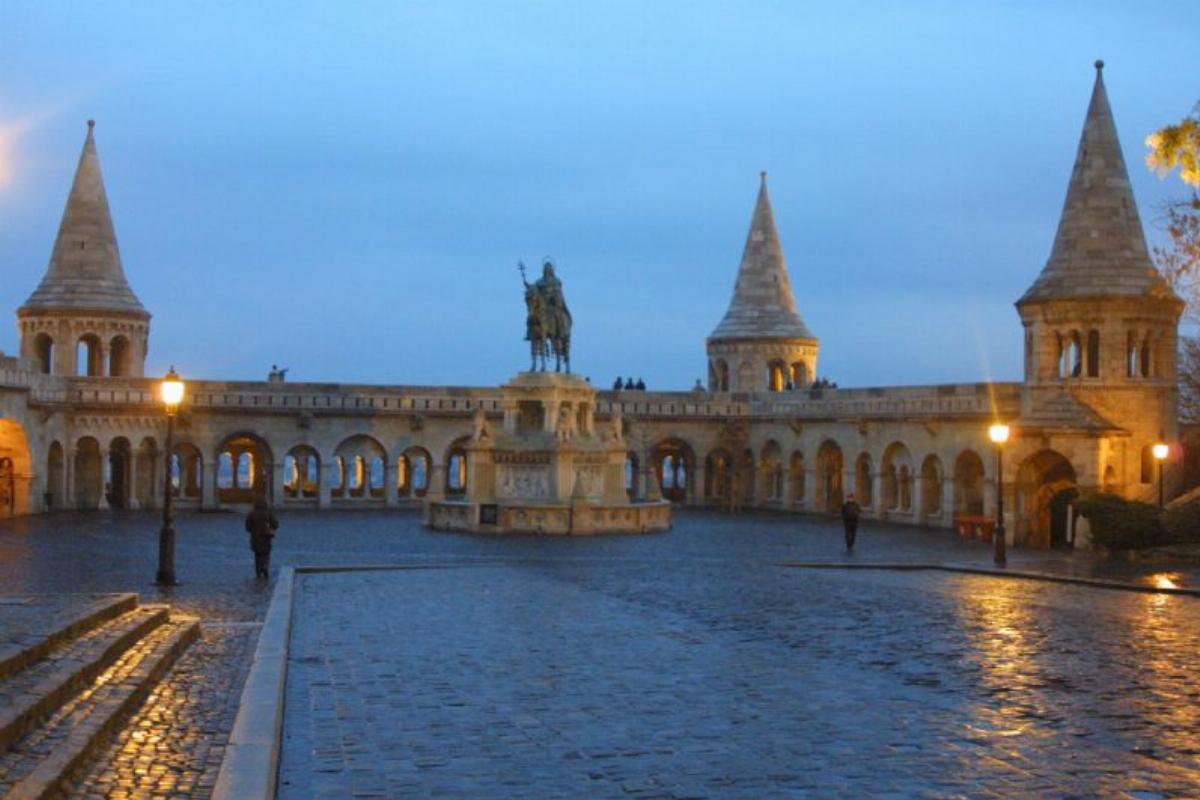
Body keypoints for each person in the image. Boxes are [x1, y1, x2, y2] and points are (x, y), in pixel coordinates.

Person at [245, 496, 280, 579]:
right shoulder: (268, 513)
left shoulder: (252, 513)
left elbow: (248, 527)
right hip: (266, 538)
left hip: (255, 538)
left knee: (257, 555)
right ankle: (265, 567)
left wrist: (254, 530)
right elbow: (275, 524)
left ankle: (258, 572)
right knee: (266, 554)